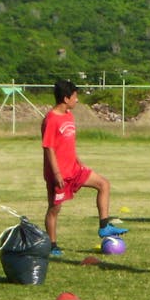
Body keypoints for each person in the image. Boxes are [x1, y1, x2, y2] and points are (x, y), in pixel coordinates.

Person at [41, 79, 127, 257]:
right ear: (66, 98)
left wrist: (79, 161)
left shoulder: (69, 116)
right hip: (59, 174)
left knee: (104, 184)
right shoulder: (51, 119)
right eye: (75, 97)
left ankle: (104, 226)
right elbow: (48, 148)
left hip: (74, 169)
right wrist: (56, 173)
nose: (77, 100)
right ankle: (52, 245)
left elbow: (68, 144)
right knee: (55, 209)